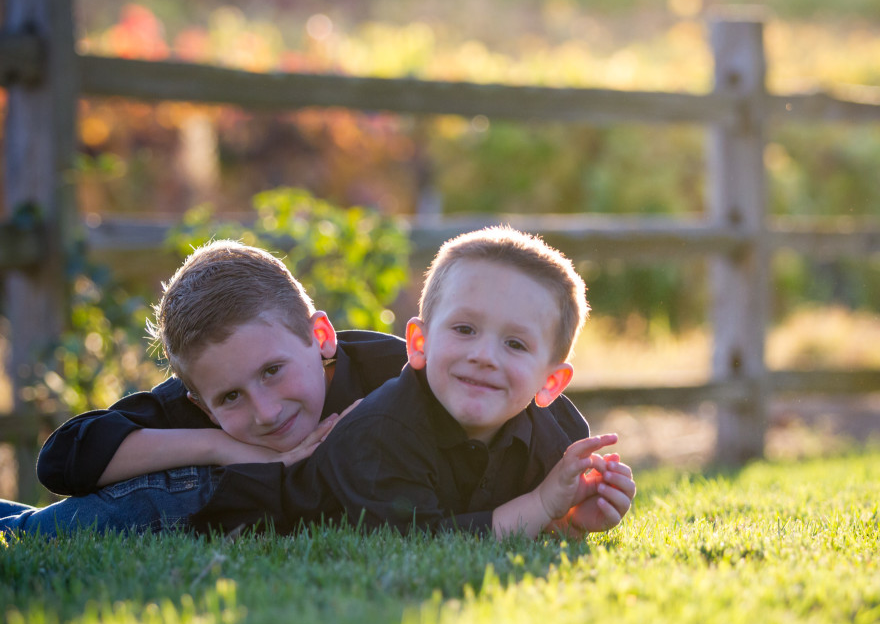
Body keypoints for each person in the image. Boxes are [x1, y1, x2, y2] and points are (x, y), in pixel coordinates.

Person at [2, 232, 631, 538]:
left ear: (321, 336)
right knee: (36, 532)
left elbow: (507, 429)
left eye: (275, 371)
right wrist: (233, 447)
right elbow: (65, 457)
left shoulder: (403, 373)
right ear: (200, 400)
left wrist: (578, 502)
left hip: (281, 509)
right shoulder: (212, 400)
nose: (267, 409)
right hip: (193, 495)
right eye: (230, 399)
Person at [191, 226, 635, 538]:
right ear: (419, 343)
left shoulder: (561, 441)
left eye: (515, 344)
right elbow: (426, 541)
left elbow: (519, 522)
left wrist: (572, 515)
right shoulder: (381, 430)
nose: (483, 355)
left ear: (551, 382)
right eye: (464, 329)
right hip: (217, 500)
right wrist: (540, 505)